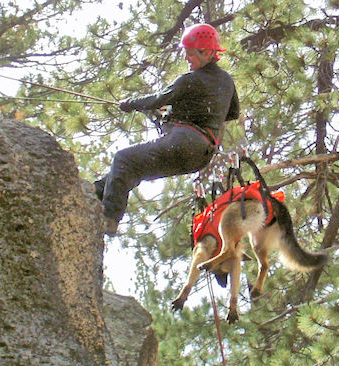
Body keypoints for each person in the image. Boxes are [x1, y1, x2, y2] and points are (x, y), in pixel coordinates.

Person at [95, 23, 239, 235]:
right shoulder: (227, 82)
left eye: (190, 54)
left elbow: (158, 98)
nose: (187, 59)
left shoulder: (190, 80)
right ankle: (97, 191)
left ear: (207, 52)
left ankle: (108, 219)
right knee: (134, 168)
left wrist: (129, 104)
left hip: (184, 142)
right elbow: (233, 113)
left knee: (124, 159)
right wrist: (202, 114)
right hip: (200, 156)